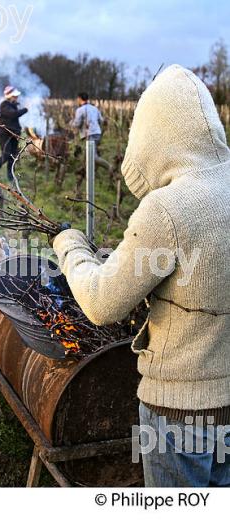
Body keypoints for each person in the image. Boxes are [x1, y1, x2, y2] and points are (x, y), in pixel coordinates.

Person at [52, 65, 230, 487]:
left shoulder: (167, 209)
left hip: (177, 413)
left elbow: (100, 303)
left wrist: (70, 245)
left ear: (153, 136)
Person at [72, 92, 113, 183]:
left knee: (93, 157)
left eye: (77, 99)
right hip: (97, 133)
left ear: (79, 99)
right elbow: (101, 120)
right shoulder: (94, 108)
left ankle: (110, 167)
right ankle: (88, 174)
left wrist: (71, 125)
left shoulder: (80, 110)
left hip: (89, 134)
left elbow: (77, 123)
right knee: (88, 155)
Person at [0, 85, 28, 181]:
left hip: (14, 135)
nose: (16, 98)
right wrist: (25, 109)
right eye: (14, 96)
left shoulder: (13, 105)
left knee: (13, 156)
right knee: (6, 155)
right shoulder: (4, 105)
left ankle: (10, 176)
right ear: (9, 96)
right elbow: (13, 114)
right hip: (5, 135)